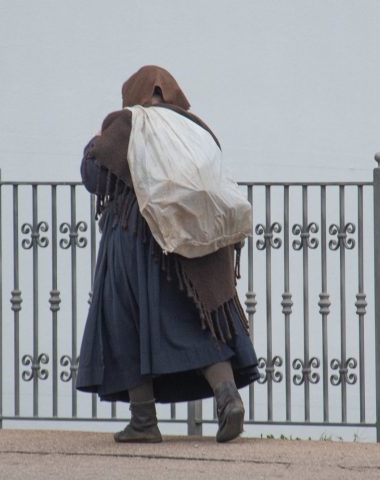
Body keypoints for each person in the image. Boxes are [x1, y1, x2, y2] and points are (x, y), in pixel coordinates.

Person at [76, 65, 260, 444]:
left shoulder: (129, 122)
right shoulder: (197, 129)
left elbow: (96, 176)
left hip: (136, 239)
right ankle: (227, 397)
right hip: (198, 244)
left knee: (127, 317)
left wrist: (93, 144)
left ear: (136, 94)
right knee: (196, 319)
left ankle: (143, 421)